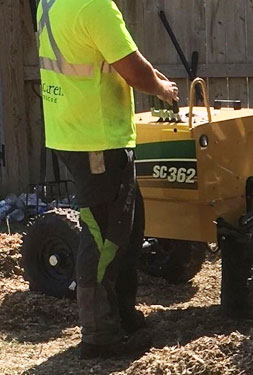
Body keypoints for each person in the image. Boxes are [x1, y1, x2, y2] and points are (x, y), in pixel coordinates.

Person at [37, 0, 179, 359]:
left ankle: (123, 317)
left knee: (126, 229)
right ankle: (100, 335)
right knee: (104, 236)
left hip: (75, 131)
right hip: (96, 139)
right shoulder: (94, 5)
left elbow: (114, 56)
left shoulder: (51, 2)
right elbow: (132, 71)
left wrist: (155, 77)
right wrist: (163, 89)